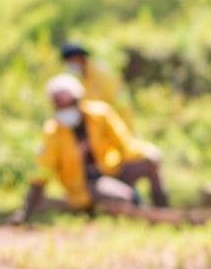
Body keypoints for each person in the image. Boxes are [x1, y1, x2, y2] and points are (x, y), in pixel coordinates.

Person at [13, 74, 168, 223]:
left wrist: (147, 152)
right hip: (86, 185)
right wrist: (25, 212)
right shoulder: (53, 131)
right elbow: (42, 171)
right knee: (122, 196)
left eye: (69, 102)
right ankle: (139, 211)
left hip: (111, 170)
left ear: (78, 99)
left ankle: (164, 210)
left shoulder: (100, 115)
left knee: (150, 163)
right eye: (60, 104)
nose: (65, 108)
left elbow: (125, 143)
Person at [60, 42, 135, 125]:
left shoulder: (102, 74)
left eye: (71, 61)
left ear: (79, 58)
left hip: (117, 123)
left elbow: (116, 102)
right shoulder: (84, 77)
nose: (70, 65)